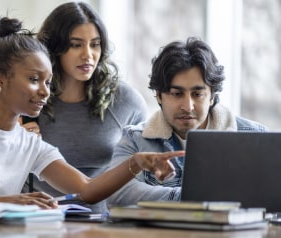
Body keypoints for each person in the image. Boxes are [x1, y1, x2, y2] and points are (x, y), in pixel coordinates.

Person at [0, 17, 183, 208]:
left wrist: (135, 162)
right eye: (33, 79)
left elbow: (87, 190)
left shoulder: (30, 145)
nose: (44, 91)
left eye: (48, 82)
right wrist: (3, 204)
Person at [19, 1, 148, 213]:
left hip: (105, 223)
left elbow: (143, 176)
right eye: (76, 45)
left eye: (95, 44)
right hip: (39, 221)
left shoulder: (127, 101)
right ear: (55, 48)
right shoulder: (28, 99)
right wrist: (12, 143)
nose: (87, 55)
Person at [108, 37, 267, 206]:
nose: (188, 106)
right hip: (161, 233)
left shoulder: (257, 138)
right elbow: (117, 193)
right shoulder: (135, 139)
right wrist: (190, 198)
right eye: (177, 94)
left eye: (197, 94)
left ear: (212, 97)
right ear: (159, 95)